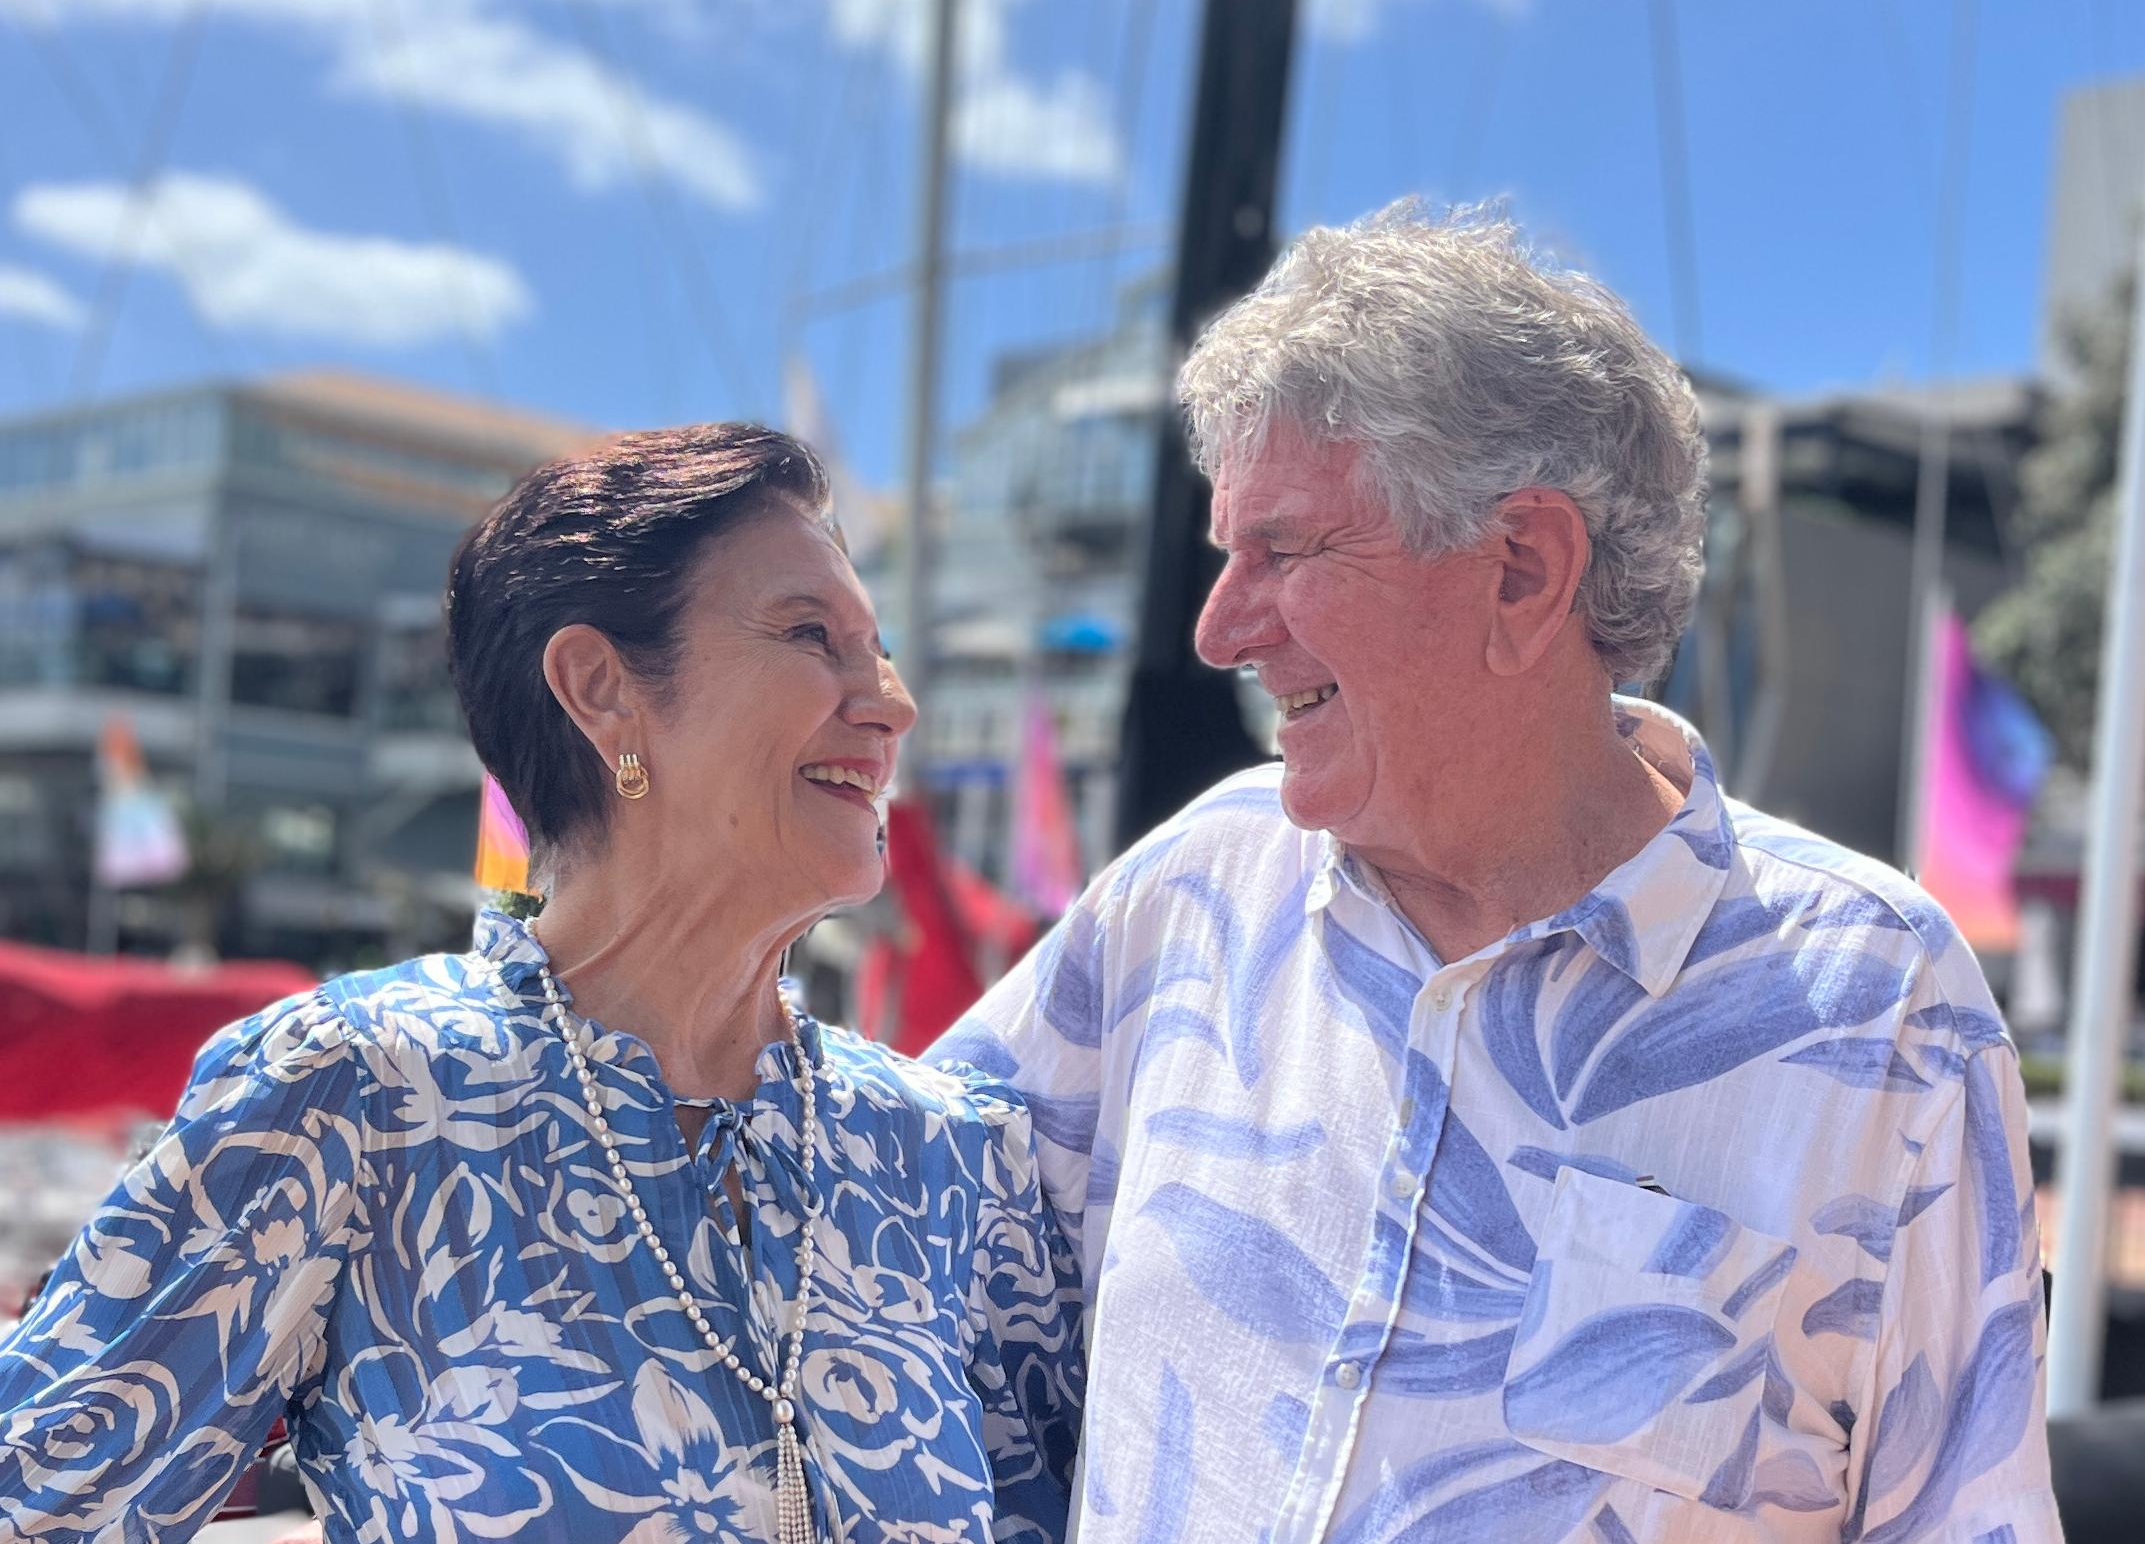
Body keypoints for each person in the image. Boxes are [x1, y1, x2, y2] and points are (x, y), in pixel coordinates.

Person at [935, 204, 2060, 1542]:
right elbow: (877, 1221)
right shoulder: (1188, 892)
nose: (1219, 625)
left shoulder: (1880, 1010)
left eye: (1284, 550)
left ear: (1522, 567)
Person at [0, 425, 1082, 1541]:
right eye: (815, 636)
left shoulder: (949, 1155)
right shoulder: (359, 1092)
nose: (892, 702)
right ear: (600, 686)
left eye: (880, 647)